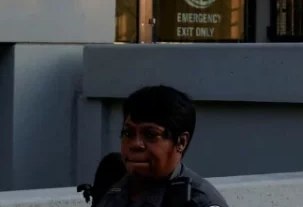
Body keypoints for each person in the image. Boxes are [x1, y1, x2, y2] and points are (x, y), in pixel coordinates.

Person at [96, 85, 229, 207]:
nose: (135, 144)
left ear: (181, 142)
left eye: (150, 134)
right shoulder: (114, 179)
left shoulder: (198, 203)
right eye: (128, 133)